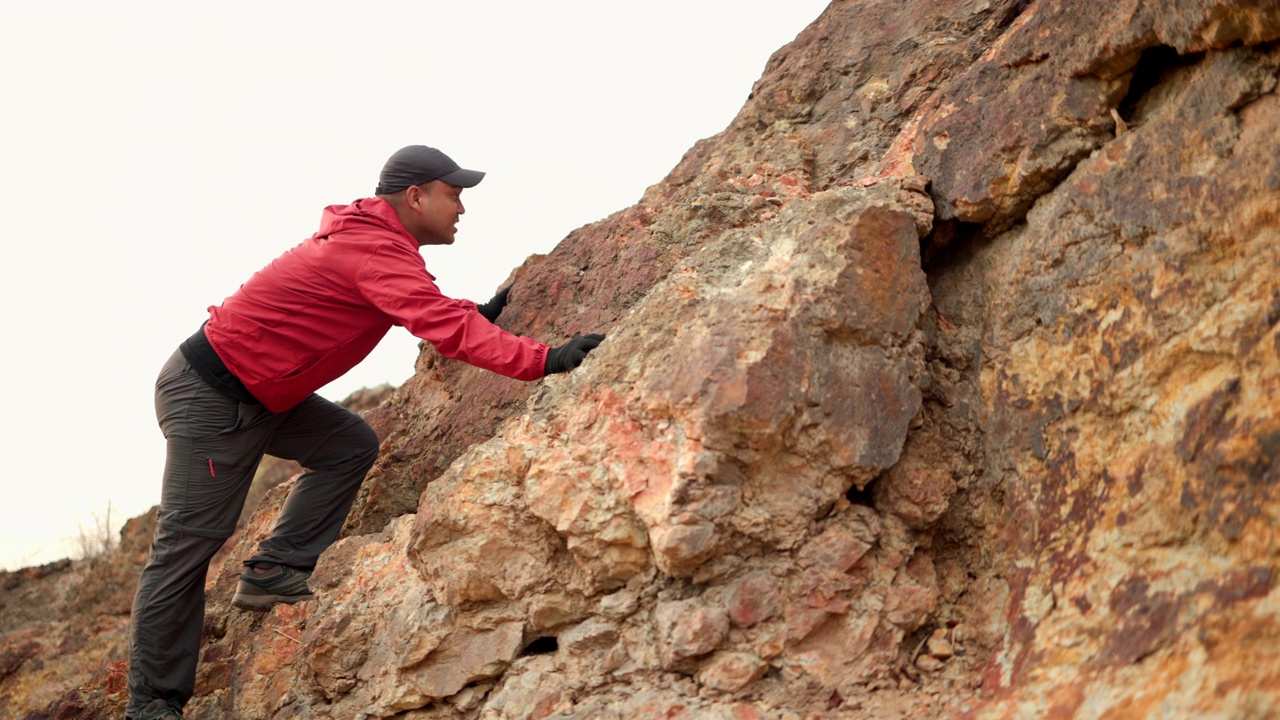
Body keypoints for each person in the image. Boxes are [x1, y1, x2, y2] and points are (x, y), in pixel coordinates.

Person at [125, 145, 605, 720]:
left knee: (349, 444)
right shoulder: (372, 247)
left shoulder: (379, 242)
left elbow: (419, 303)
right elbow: (433, 321)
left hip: (265, 392)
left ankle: (275, 569)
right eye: (453, 195)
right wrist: (545, 359)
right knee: (188, 544)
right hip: (210, 394)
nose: (461, 208)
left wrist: (474, 312)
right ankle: (151, 705)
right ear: (416, 196)